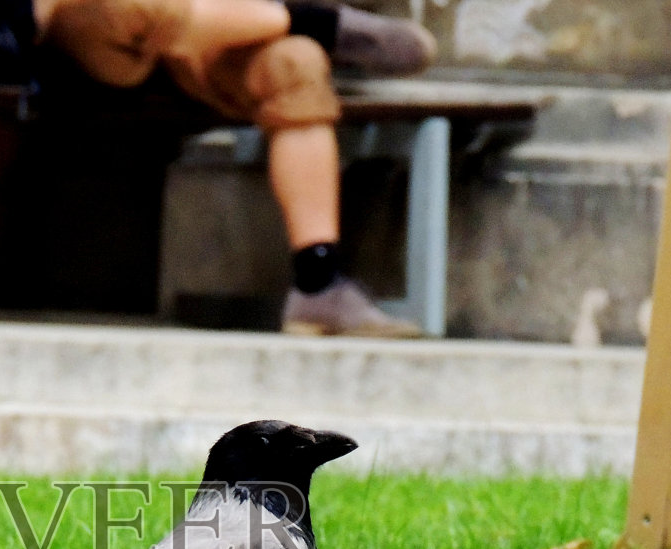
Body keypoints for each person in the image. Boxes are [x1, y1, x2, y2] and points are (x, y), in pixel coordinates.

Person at [35, 0, 436, 337]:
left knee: (294, 63)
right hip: (87, 34)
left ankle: (319, 285)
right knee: (134, 7)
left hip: (204, 37)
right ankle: (316, 22)